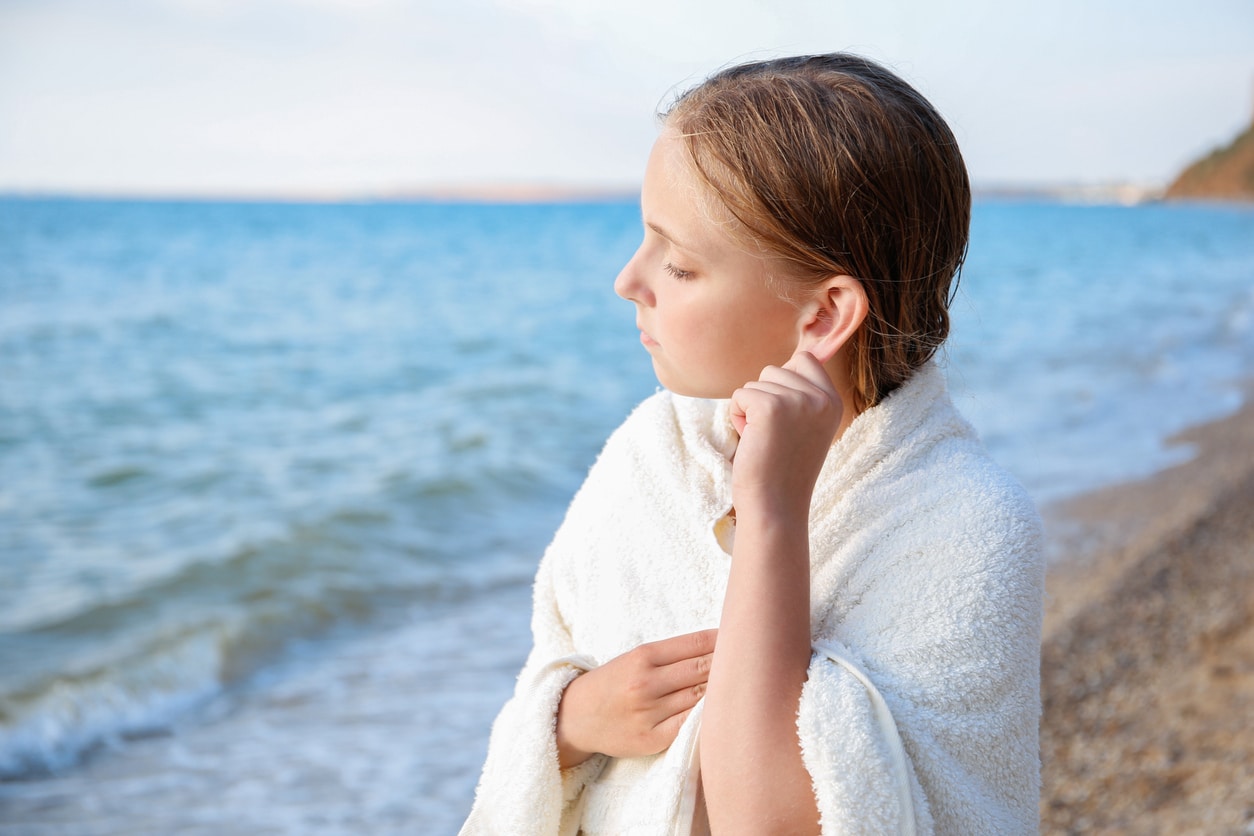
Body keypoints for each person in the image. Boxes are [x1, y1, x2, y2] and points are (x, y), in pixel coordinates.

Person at [460, 53, 1043, 835]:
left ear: (822, 316)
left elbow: (772, 821)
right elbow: (553, 666)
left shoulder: (968, 529)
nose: (628, 280)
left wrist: (771, 515)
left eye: (679, 262)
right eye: (643, 240)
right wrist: (569, 722)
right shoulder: (651, 456)